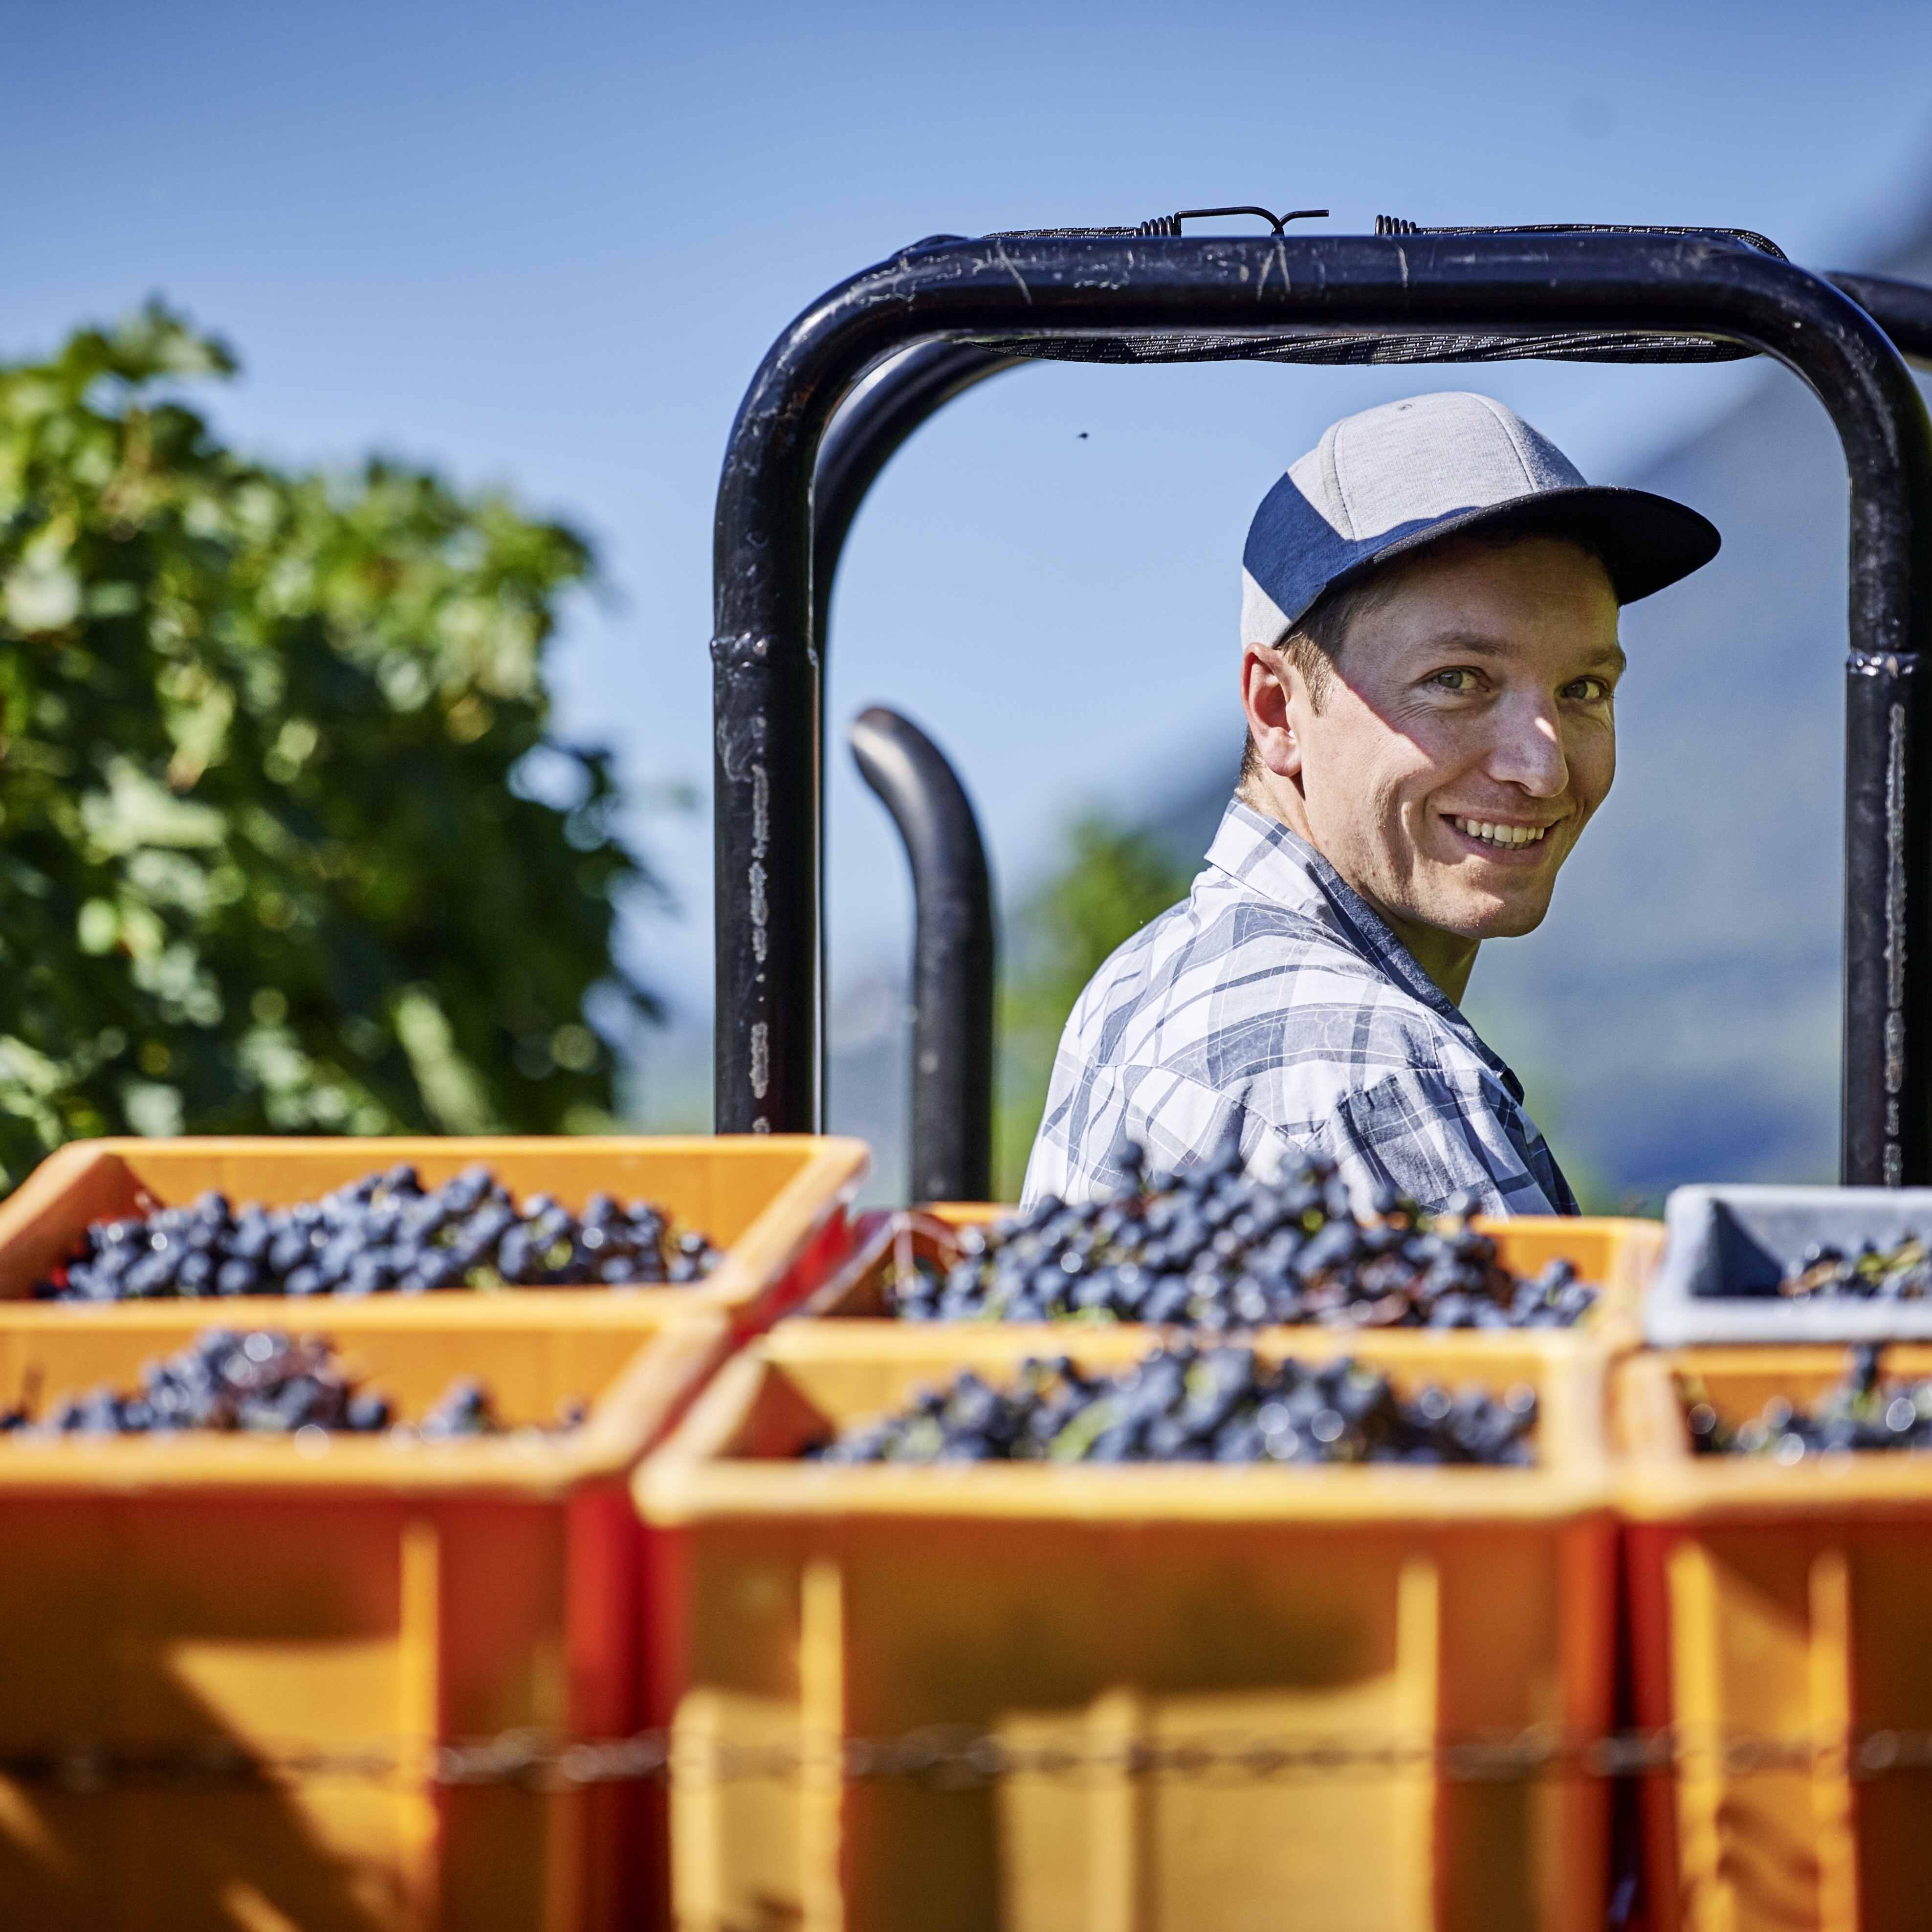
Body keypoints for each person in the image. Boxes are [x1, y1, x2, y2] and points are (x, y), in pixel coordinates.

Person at [1022, 391, 1720, 1216]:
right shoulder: (1366, 1077)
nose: (1543, 767)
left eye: (1584, 688)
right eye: (1457, 680)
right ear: (1278, 710)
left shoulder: (1149, 970)